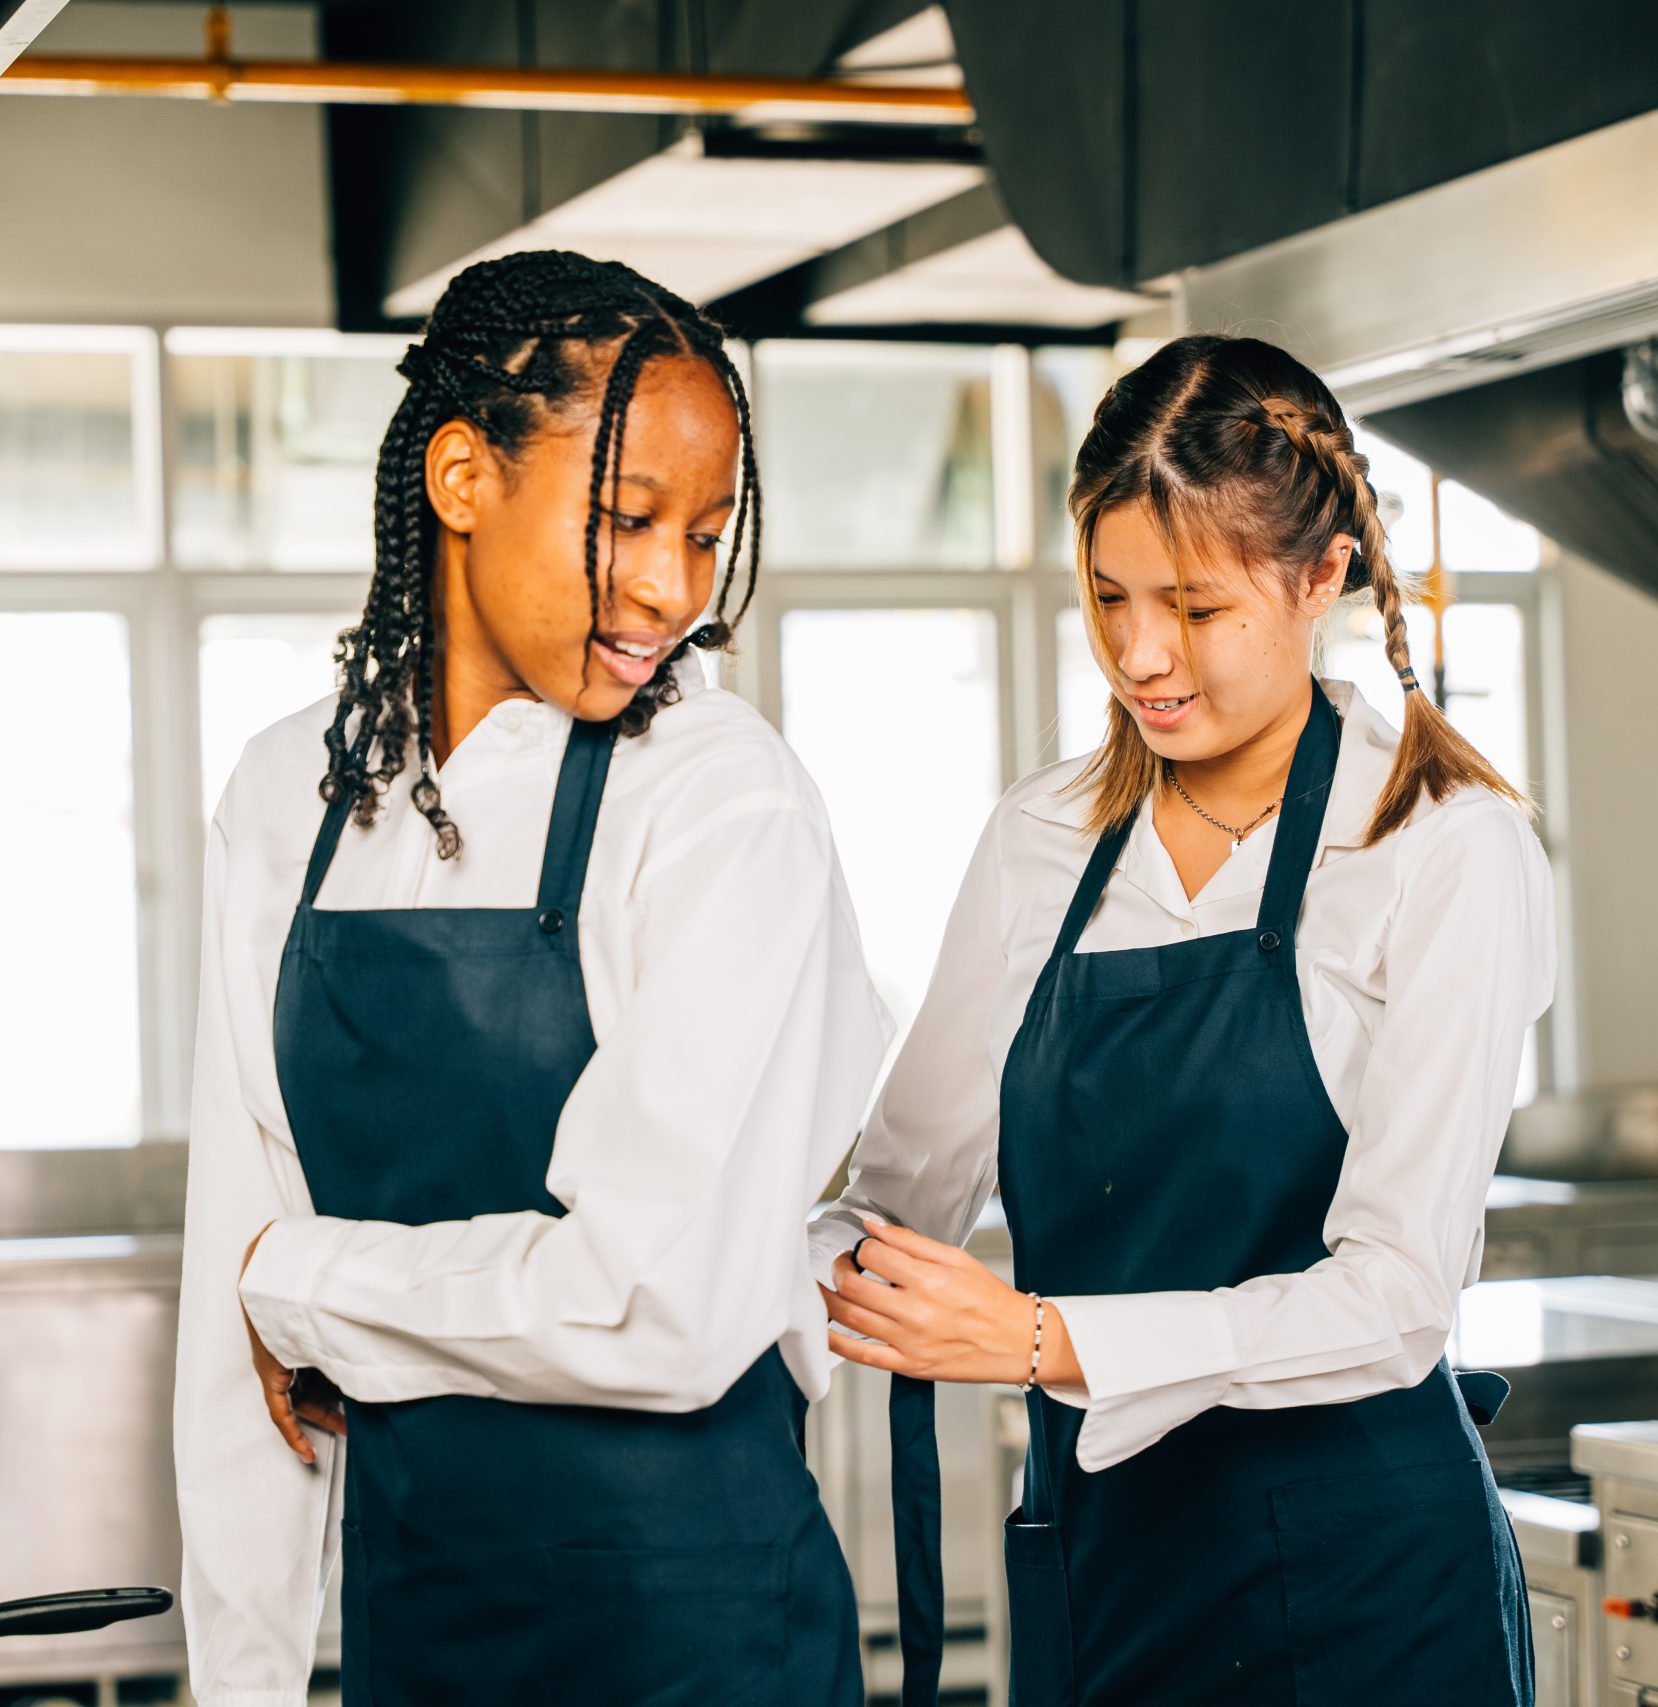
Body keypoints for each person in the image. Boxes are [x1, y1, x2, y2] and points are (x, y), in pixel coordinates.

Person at [172, 250, 884, 1707]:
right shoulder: (291, 798)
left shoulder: (720, 801)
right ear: (459, 478)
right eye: (626, 520)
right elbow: (221, 1302)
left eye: (705, 534)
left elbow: (657, 1307)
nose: (670, 588)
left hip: (696, 1636)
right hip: (419, 1622)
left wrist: (308, 1281)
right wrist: (241, 1683)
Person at [814, 333, 1551, 1705]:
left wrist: (1049, 1342)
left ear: (1323, 575)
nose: (1141, 656)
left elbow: (1396, 1299)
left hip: (1365, 1587)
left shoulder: (1445, 848)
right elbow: (894, 1210)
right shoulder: (1043, 840)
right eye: (1107, 598)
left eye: (1198, 609)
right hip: (1109, 1564)